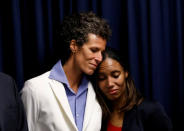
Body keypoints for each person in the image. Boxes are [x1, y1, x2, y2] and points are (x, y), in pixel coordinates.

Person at [21, 12, 111, 131]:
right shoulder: (35, 89)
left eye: (101, 52)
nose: (99, 58)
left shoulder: (96, 92)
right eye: (94, 50)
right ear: (74, 46)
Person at [91, 47, 173, 131]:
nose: (109, 84)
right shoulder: (99, 113)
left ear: (126, 73)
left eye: (115, 75)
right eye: (102, 78)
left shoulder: (151, 110)